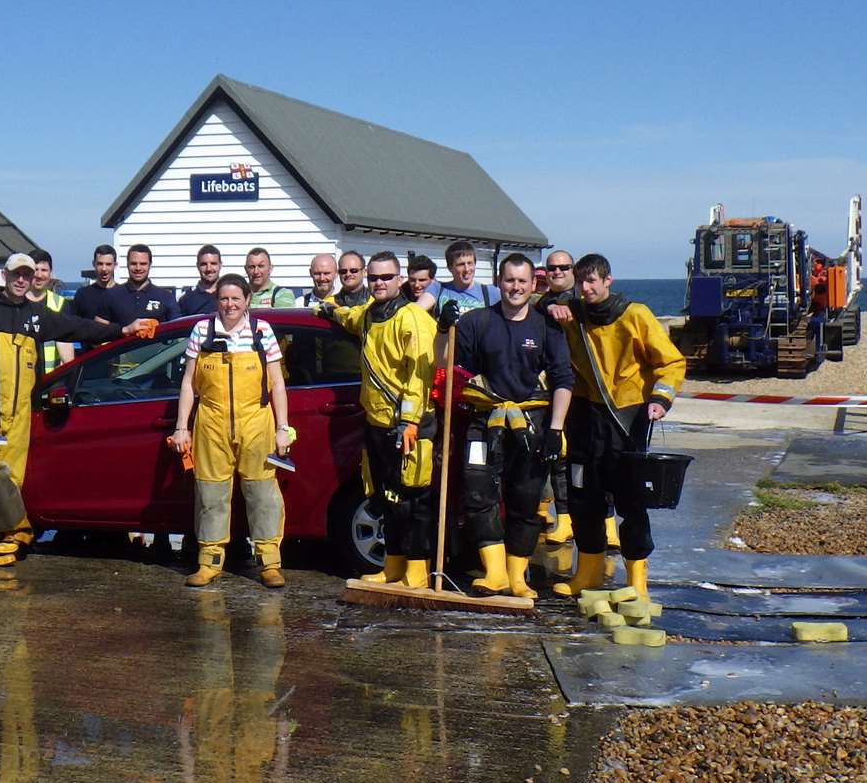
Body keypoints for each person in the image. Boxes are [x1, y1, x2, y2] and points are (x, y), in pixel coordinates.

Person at [0, 253, 143, 566]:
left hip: (20, 413)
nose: (21, 279)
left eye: (26, 275)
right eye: (16, 274)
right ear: (4, 275)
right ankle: (19, 530)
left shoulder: (36, 315)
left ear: (33, 278)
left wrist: (122, 331)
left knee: (10, 481)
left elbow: (77, 328)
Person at [545, 253, 686, 602]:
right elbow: (537, 305)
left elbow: (670, 362)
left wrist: (661, 399)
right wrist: (553, 306)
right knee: (583, 497)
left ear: (609, 280)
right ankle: (588, 571)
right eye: (582, 282)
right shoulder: (572, 313)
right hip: (584, 415)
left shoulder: (635, 315)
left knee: (631, 500)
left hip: (627, 417)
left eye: (593, 281)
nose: (587, 288)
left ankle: (637, 578)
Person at [446, 253, 573, 599]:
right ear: (498, 283)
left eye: (522, 281)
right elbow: (452, 370)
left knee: (526, 499)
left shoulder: (546, 327)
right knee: (478, 495)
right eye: (509, 280)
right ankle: (495, 572)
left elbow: (563, 379)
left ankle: (518, 576)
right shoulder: (475, 322)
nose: (515, 287)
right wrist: (445, 331)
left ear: (534, 285)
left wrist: (555, 430)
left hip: (530, 423)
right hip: (484, 420)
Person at [315, 252, 438, 588]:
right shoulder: (369, 315)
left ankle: (417, 571)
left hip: (409, 426)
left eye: (386, 277)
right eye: (374, 278)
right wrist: (328, 309)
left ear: (400, 280)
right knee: (387, 498)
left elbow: (420, 374)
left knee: (413, 500)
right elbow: (350, 318)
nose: (379, 283)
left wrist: (409, 420)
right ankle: (393, 565)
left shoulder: (412, 318)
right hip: (377, 423)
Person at [171, 274, 292, 588]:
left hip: (257, 422)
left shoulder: (261, 331)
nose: (230, 305)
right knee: (210, 494)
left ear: (247, 300)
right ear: (217, 301)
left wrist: (283, 427)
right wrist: (182, 426)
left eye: (236, 298)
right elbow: (188, 383)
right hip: (211, 423)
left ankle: (269, 564)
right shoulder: (202, 330)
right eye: (224, 299)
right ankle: (208, 562)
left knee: (263, 495)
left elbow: (277, 383)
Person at [531, 249, 584, 556]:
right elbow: (535, 301)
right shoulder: (543, 304)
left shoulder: (585, 300)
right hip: (556, 389)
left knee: (590, 461)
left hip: (588, 392)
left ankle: (605, 524)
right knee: (558, 456)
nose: (557, 272)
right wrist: (550, 302)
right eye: (552, 268)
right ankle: (562, 518)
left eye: (564, 267)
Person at [24, 249, 74, 372]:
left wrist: (70, 374)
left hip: (50, 381)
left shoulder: (59, 304)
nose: (39, 275)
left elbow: (65, 346)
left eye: (44, 270)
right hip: (21, 381)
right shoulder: (15, 303)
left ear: (50, 273)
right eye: (35, 269)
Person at [104, 243, 178, 324]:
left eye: (143, 264)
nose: (138, 268)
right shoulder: (111, 295)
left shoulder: (166, 297)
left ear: (150, 265)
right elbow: (100, 330)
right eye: (133, 263)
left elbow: (177, 329)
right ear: (127, 264)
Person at [421, 240, 502, 315]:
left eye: (470, 263)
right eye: (461, 264)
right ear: (450, 268)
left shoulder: (491, 292)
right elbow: (415, 311)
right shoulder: (437, 289)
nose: (467, 269)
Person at [72, 244, 119, 321]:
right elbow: (75, 325)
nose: (104, 269)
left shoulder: (123, 294)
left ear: (115, 265)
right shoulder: (82, 294)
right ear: (94, 264)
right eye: (100, 264)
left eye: (108, 264)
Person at [177, 245, 222, 317]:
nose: (209, 269)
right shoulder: (186, 298)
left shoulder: (230, 294)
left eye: (213, 263)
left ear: (220, 265)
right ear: (197, 266)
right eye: (203, 264)